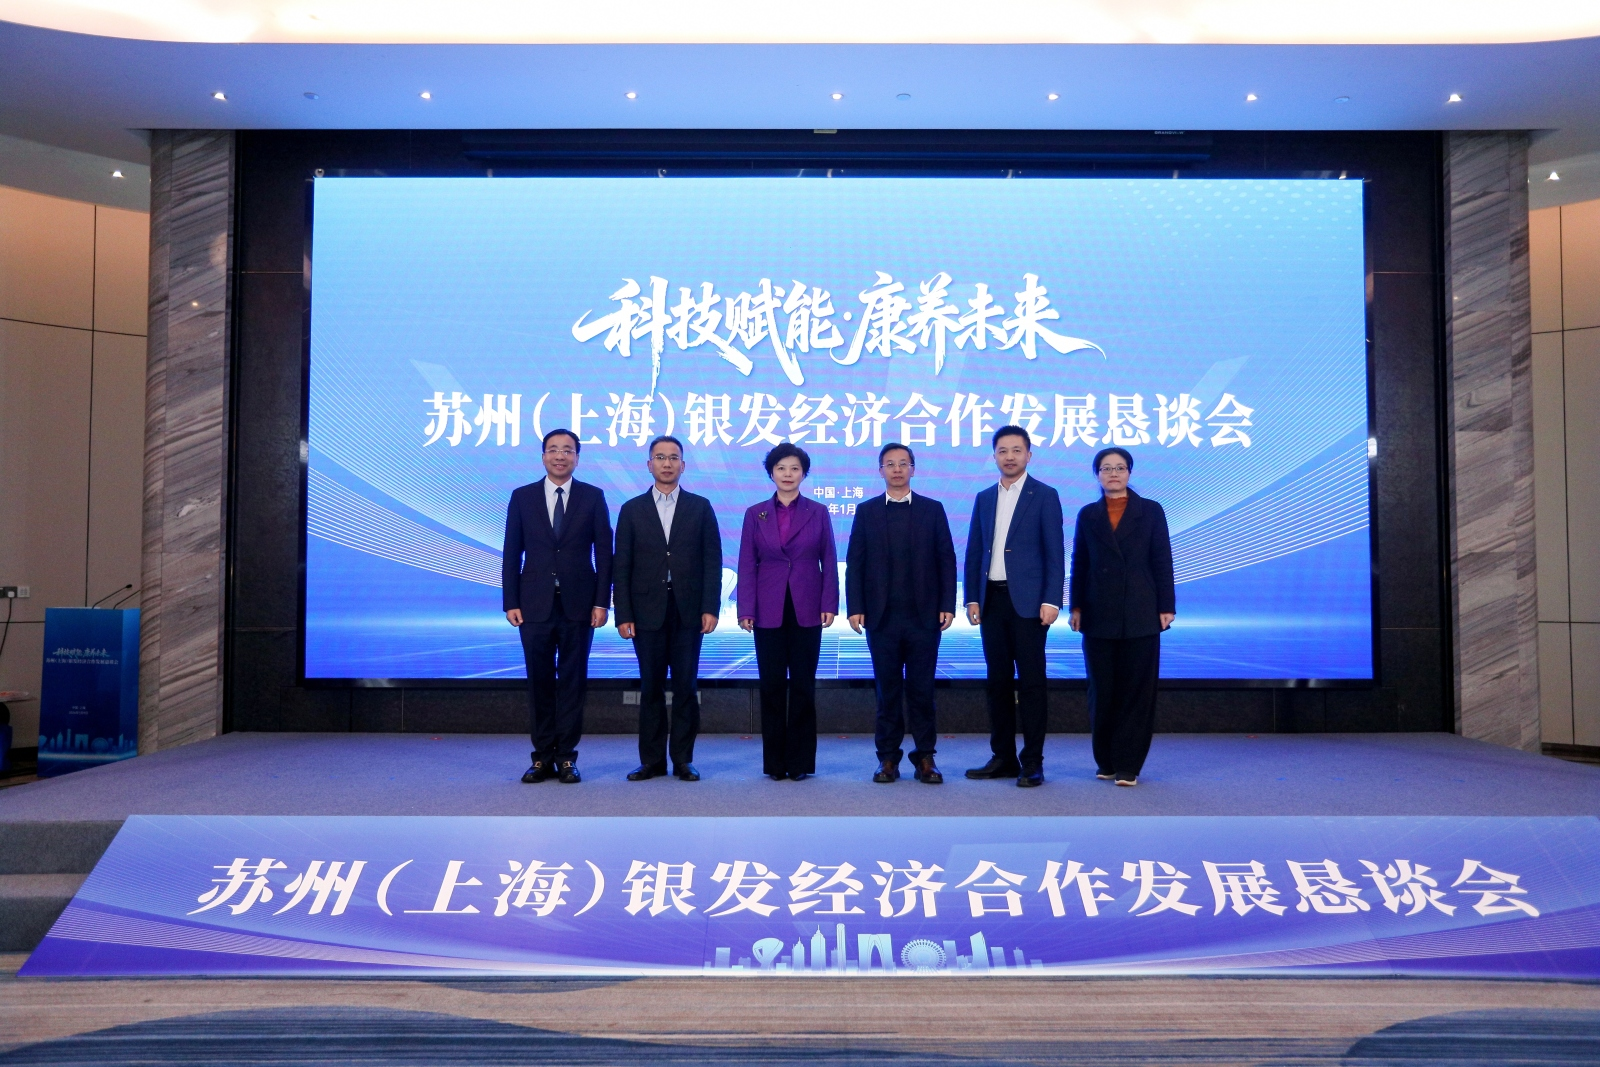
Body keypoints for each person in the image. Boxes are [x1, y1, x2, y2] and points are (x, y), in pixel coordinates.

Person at [501, 428, 613, 785]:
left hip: (580, 605)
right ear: (543, 456)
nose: (560, 456)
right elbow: (511, 552)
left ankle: (566, 757)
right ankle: (541, 757)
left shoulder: (593, 496)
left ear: (577, 457)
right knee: (539, 683)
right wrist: (510, 601)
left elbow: (604, 553)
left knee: (572, 682)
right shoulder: (522, 497)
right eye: (553, 449)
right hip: (533, 604)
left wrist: (602, 601)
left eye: (567, 450)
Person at [612, 435, 722, 783]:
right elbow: (621, 566)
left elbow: (712, 561)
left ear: (683, 465)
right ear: (649, 465)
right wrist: (623, 614)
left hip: (688, 610)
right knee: (651, 688)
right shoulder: (632, 509)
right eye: (660, 457)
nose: (667, 463)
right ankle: (652, 761)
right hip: (646, 610)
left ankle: (683, 760)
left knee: (686, 687)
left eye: (673, 457)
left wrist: (710, 607)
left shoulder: (700, 507)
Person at [846, 443, 957, 785]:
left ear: (913, 469)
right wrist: (855, 607)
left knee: (922, 691)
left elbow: (946, 559)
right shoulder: (866, 511)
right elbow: (856, 563)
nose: (897, 469)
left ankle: (925, 757)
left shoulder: (932, 509)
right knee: (887, 691)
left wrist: (947, 604)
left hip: (924, 618)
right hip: (881, 618)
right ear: (880, 470)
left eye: (903, 463)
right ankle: (887, 758)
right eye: (890, 464)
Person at [963, 425, 1065, 788]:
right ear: (993, 456)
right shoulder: (984, 497)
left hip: (1030, 605)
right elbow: (975, 550)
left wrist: (1052, 599)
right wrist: (972, 597)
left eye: (1016, 450)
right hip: (992, 601)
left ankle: (1033, 761)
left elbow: (1055, 552)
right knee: (998, 682)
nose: (1009, 456)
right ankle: (1003, 757)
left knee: (1033, 683)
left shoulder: (1045, 495)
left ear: (1029, 455)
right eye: (1003, 451)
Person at [1068, 447, 1175, 787]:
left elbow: (1162, 559)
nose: (1113, 474)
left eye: (1119, 468)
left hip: (1141, 610)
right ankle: (1106, 760)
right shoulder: (1088, 514)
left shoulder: (1151, 511)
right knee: (1101, 690)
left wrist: (1166, 606)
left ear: (1129, 472)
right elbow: (1080, 562)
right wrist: (1075, 606)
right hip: (1097, 611)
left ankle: (1129, 763)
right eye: (1106, 468)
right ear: (1097, 474)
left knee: (1136, 691)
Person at [737, 443, 838, 781]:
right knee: (771, 686)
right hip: (767, 608)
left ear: (804, 474)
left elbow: (829, 559)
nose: (788, 474)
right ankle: (775, 764)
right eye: (781, 468)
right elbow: (746, 563)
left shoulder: (818, 512)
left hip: (808, 606)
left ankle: (800, 763)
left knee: (804, 687)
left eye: (795, 468)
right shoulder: (755, 513)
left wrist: (829, 603)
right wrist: (745, 608)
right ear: (771, 473)